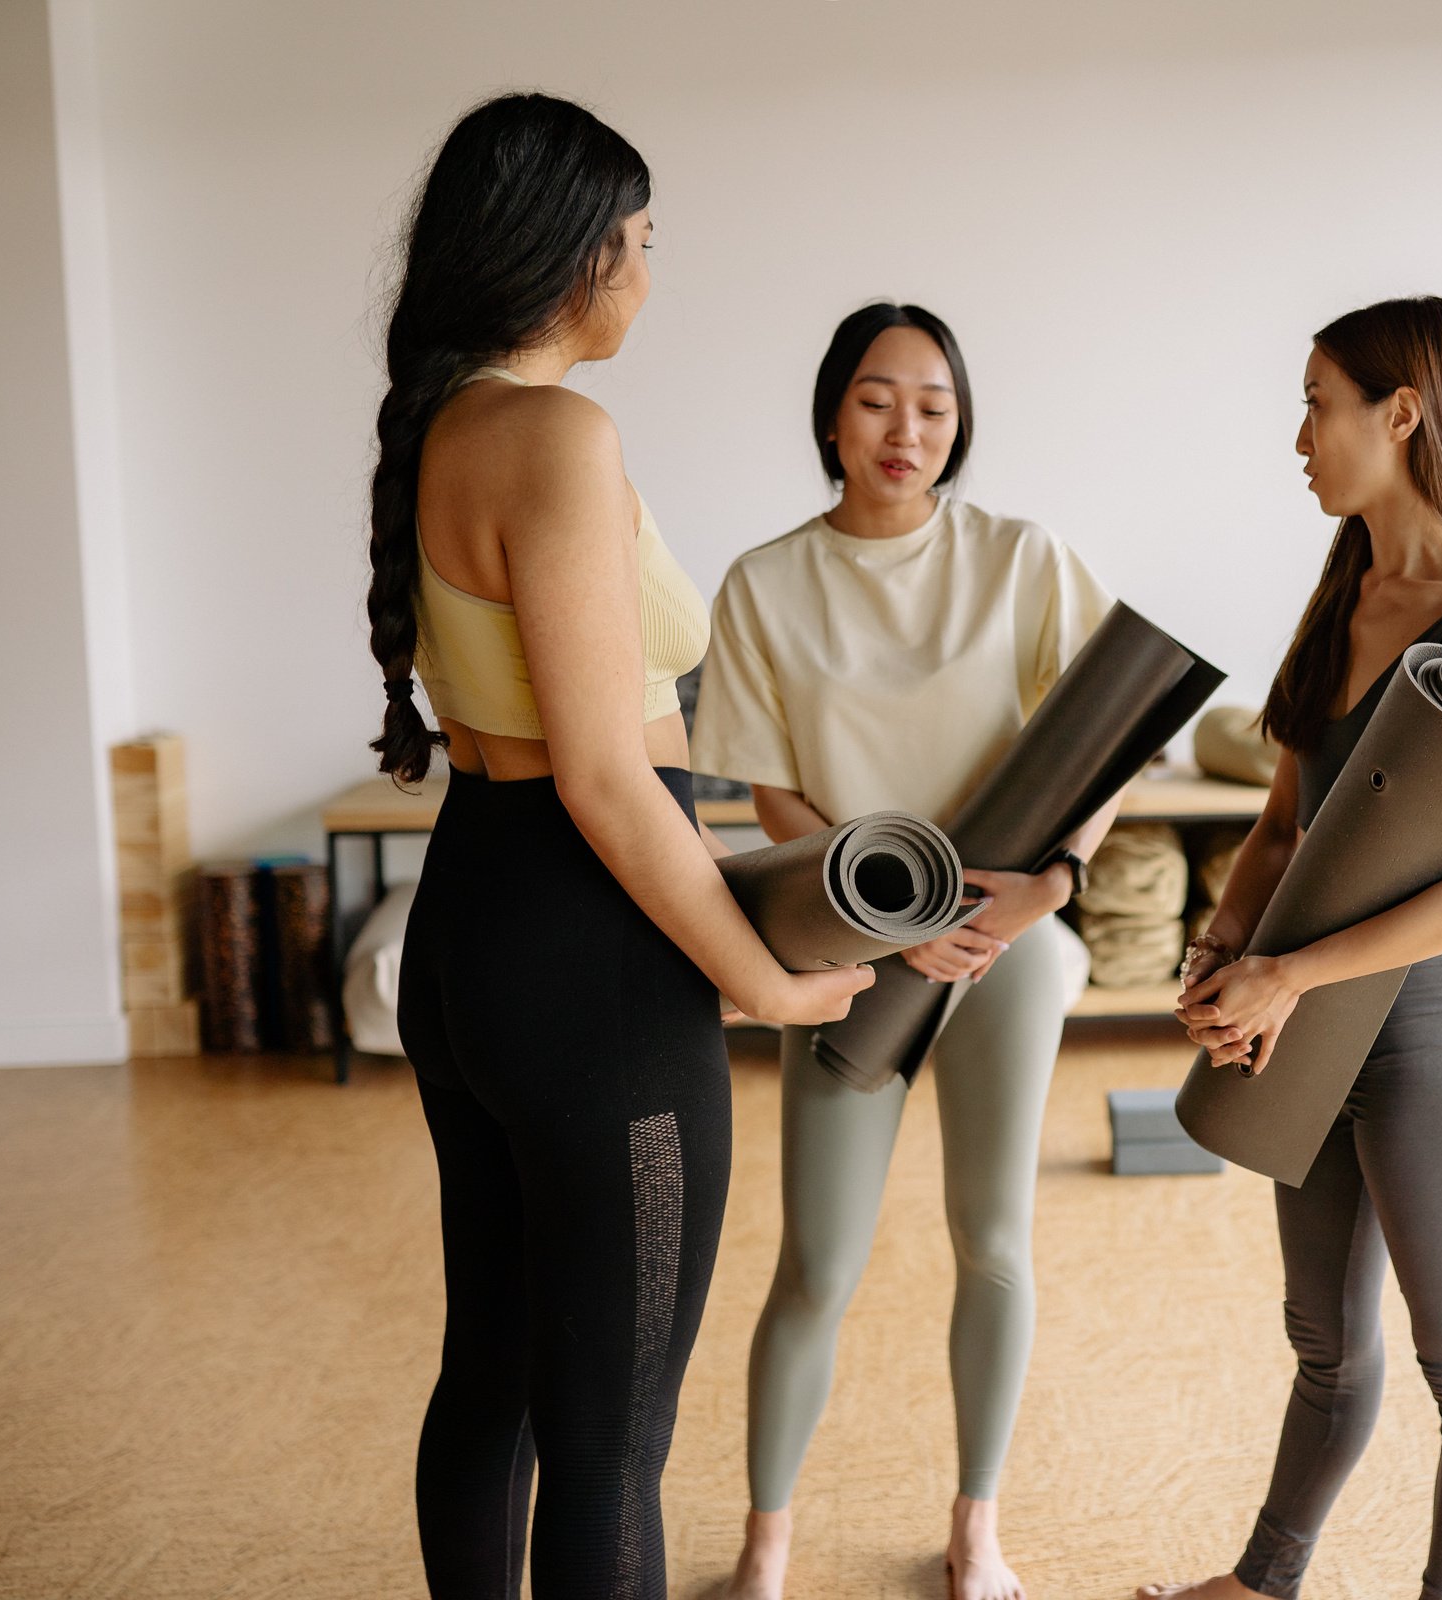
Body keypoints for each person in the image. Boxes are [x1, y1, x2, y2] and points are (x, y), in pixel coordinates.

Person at [369, 93, 872, 1600]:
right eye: (644, 243)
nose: (651, 275)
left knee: (495, 1382)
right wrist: (762, 984)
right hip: (588, 961)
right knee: (609, 1443)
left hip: (473, 926)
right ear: (579, 256)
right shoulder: (556, 434)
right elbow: (602, 770)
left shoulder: (442, 423)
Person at [692, 302, 1116, 1600]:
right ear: (831, 413)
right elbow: (771, 798)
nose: (907, 429)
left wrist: (1054, 884)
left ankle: (976, 1528)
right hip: (856, 954)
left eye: (934, 404)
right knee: (818, 1261)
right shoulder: (765, 583)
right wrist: (892, 923)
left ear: (960, 423)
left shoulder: (1023, 558)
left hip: (1004, 947)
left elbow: (1115, 727)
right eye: (878, 400)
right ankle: (766, 1544)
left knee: (993, 1237)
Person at [1138, 296, 1442, 1600]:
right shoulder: (1345, 592)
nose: (1300, 434)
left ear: (1400, 414)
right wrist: (1222, 943)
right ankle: (1263, 1584)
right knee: (1324, 1341)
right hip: (1303, 1018)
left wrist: (1290, 974)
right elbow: (1281, 824)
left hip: (1425, 1027)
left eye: (1318, 403)